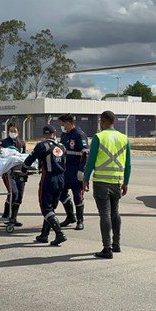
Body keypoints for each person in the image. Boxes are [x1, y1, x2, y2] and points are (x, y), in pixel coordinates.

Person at [83, 110, 131, 259]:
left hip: (101, 182)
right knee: (115, 212)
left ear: (102, 122)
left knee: (104, 213)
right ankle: (116, 244)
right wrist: (126, 182)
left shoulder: (99, 137)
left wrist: (86, 178)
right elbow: (128, 163)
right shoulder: (124, 138)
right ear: (113, 121)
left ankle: (106, 248)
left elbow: (91, 160)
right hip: (117, 181)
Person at [23, 125, 67, 246]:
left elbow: (30, 159)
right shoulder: (62, 146)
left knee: (46, 208)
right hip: (61, 178)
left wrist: (24, 168)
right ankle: (44, 235)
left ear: (44, 135)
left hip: (49, 178)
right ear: (55, 133)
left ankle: (59, 234)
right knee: (51, 208)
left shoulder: (42, 145)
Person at [57, 113, 89, 230]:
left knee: (77, 196)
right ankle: (70, 216)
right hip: (65, 171)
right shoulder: (64, 135)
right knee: (61, 194)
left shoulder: (79, 135)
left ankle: (80, 221)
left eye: (63, 124)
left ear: (70, 123)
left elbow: (85, 153)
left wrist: (82, 170)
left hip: (76, 171)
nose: (62, 126)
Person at [0, 123, 27, 227]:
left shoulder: (21, 143)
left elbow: (23, 156)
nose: (13, 133)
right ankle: (6, 214)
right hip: (8, 172)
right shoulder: (3, 143)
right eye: (11, 131)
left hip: (20, 172)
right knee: (13, 193)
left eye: (15, 131)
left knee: (19, 196)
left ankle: (13, 217)